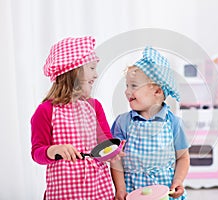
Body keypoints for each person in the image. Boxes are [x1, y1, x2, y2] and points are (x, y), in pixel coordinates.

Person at [31, 36, 122, 200]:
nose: (96, 75)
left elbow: (105, 142)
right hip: (64, 192)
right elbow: (37, 152)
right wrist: (53, 150)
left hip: (99, 188)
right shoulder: (45, 111)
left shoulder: (95, 107)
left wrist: (112, 151)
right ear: (74, 71)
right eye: (92, 68)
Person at [110, 46, 190, 200]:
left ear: (158, 91)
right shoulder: (122, 122)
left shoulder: (173, 123)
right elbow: (116, 159)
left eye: (134, 86)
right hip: (132, 192)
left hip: (165, 192)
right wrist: (120, 189)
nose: (127, 91)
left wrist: (178, 182)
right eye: (127, 86)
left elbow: (183, 158)